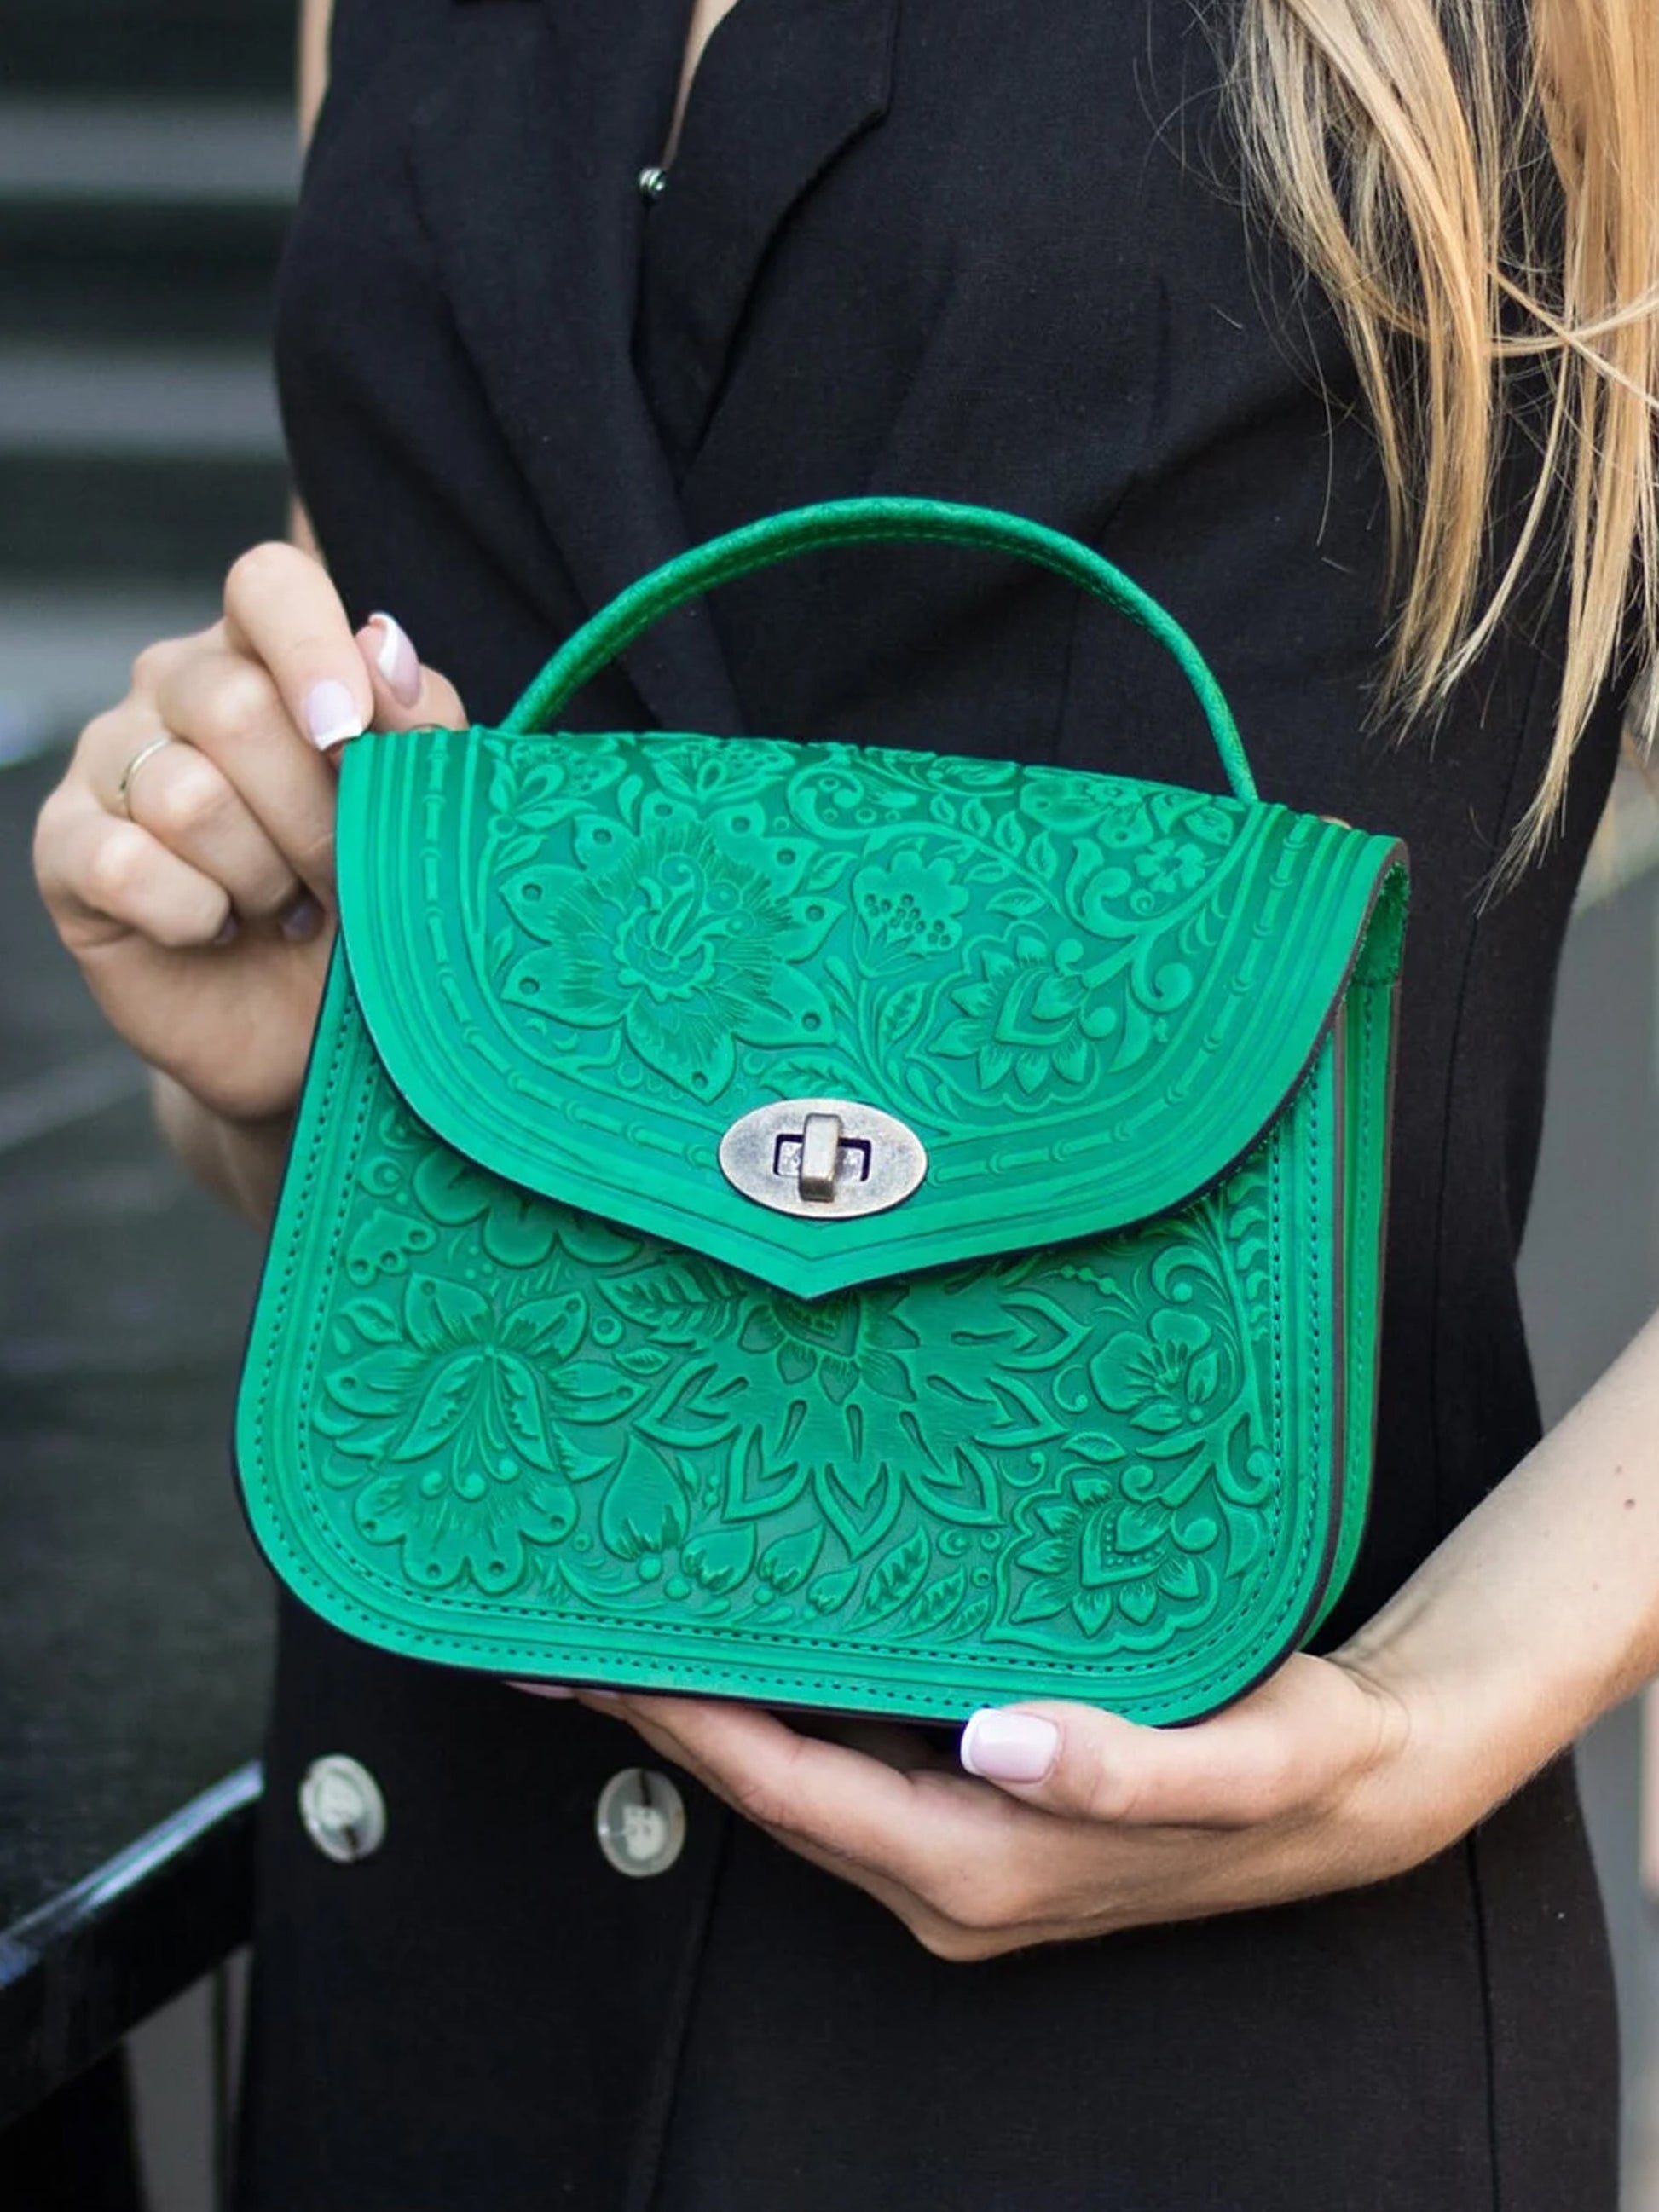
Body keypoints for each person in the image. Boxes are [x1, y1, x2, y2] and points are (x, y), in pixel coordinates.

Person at [32, 0, 1659, 2204]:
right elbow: (446, 1121)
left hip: (1184, 2022)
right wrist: (297, 1052)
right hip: (434, 1970)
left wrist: (1430, 1726)